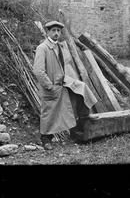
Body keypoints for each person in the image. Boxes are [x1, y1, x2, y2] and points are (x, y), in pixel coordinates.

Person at [33, 20, 97, 150]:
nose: (56, 33)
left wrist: (69, 80)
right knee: (49, 112)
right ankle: (46, 139)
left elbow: (65, 65)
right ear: (47, 32)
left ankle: (82, 121)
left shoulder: (60, 46)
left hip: (63, 81)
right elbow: (38, 71)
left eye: (58, 31)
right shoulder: (43, 48)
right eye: (53, 31)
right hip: (51, 86)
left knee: (81, 89)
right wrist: (49, 86)